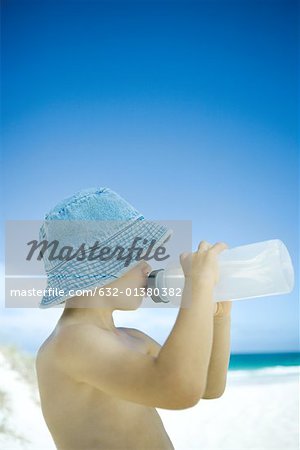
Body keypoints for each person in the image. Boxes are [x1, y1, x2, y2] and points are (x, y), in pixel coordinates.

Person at [35, 187, 232, 450]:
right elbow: (179, 390)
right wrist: (198, 287)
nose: (147, 266)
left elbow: (208, 386)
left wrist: (218, 317)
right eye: (137, 256)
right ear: (98, 267)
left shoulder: (132, 338)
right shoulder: (71, 341)